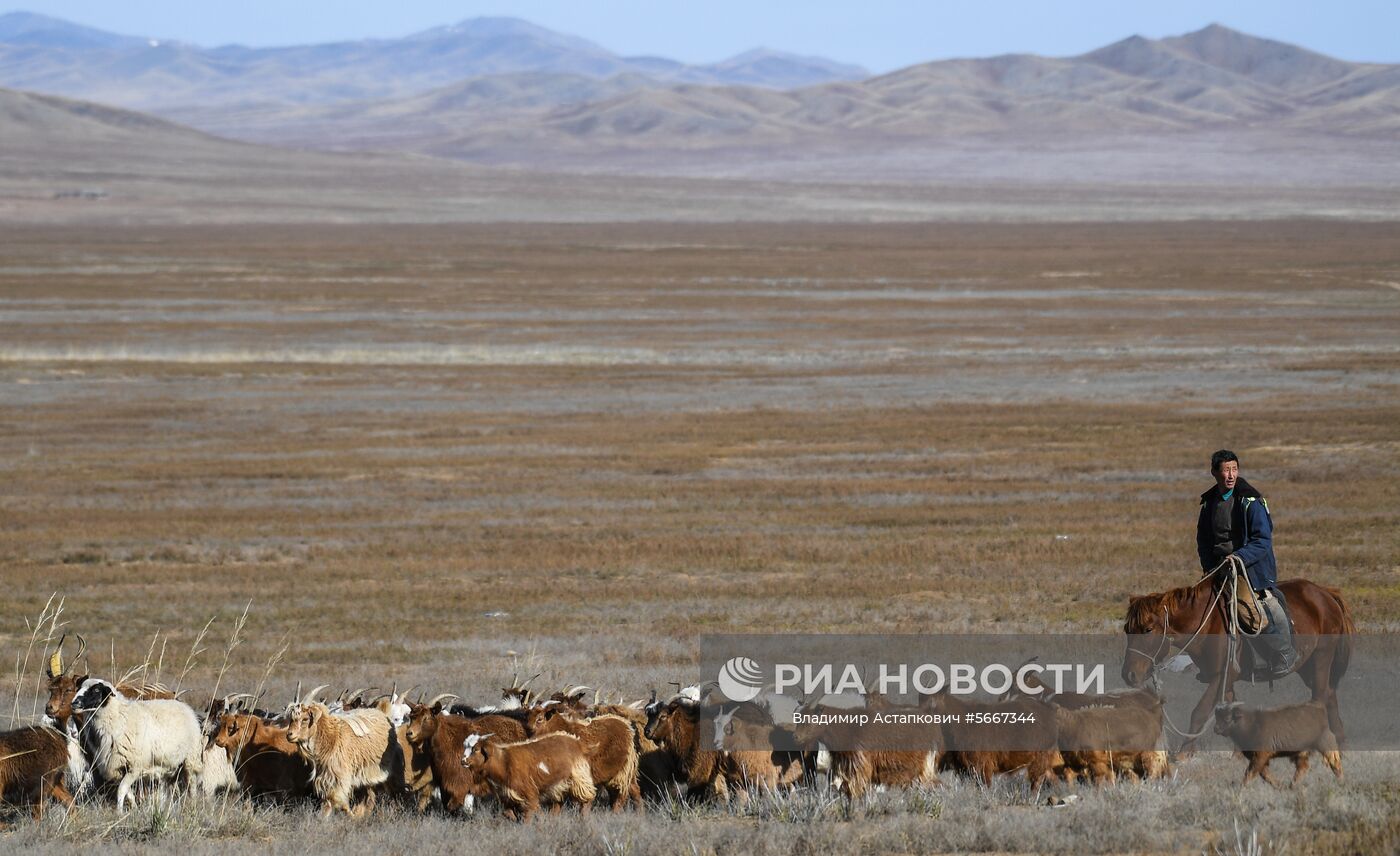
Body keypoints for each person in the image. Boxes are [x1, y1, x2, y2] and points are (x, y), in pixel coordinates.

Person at [1196, 449, 1299, 679]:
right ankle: (1209, 663)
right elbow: (1203, 539)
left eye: (1234, 469)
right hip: (1217, 569)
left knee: (1252, 612)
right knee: (1198, 607)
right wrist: (1208, 564)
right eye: (1225, 470)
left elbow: (1263, 540)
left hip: (1248, 570)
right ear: (1214, 472)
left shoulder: (1250, 500)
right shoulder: (1209, 503)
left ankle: (1284, 653)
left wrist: (1239, 557)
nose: (1230, 475)